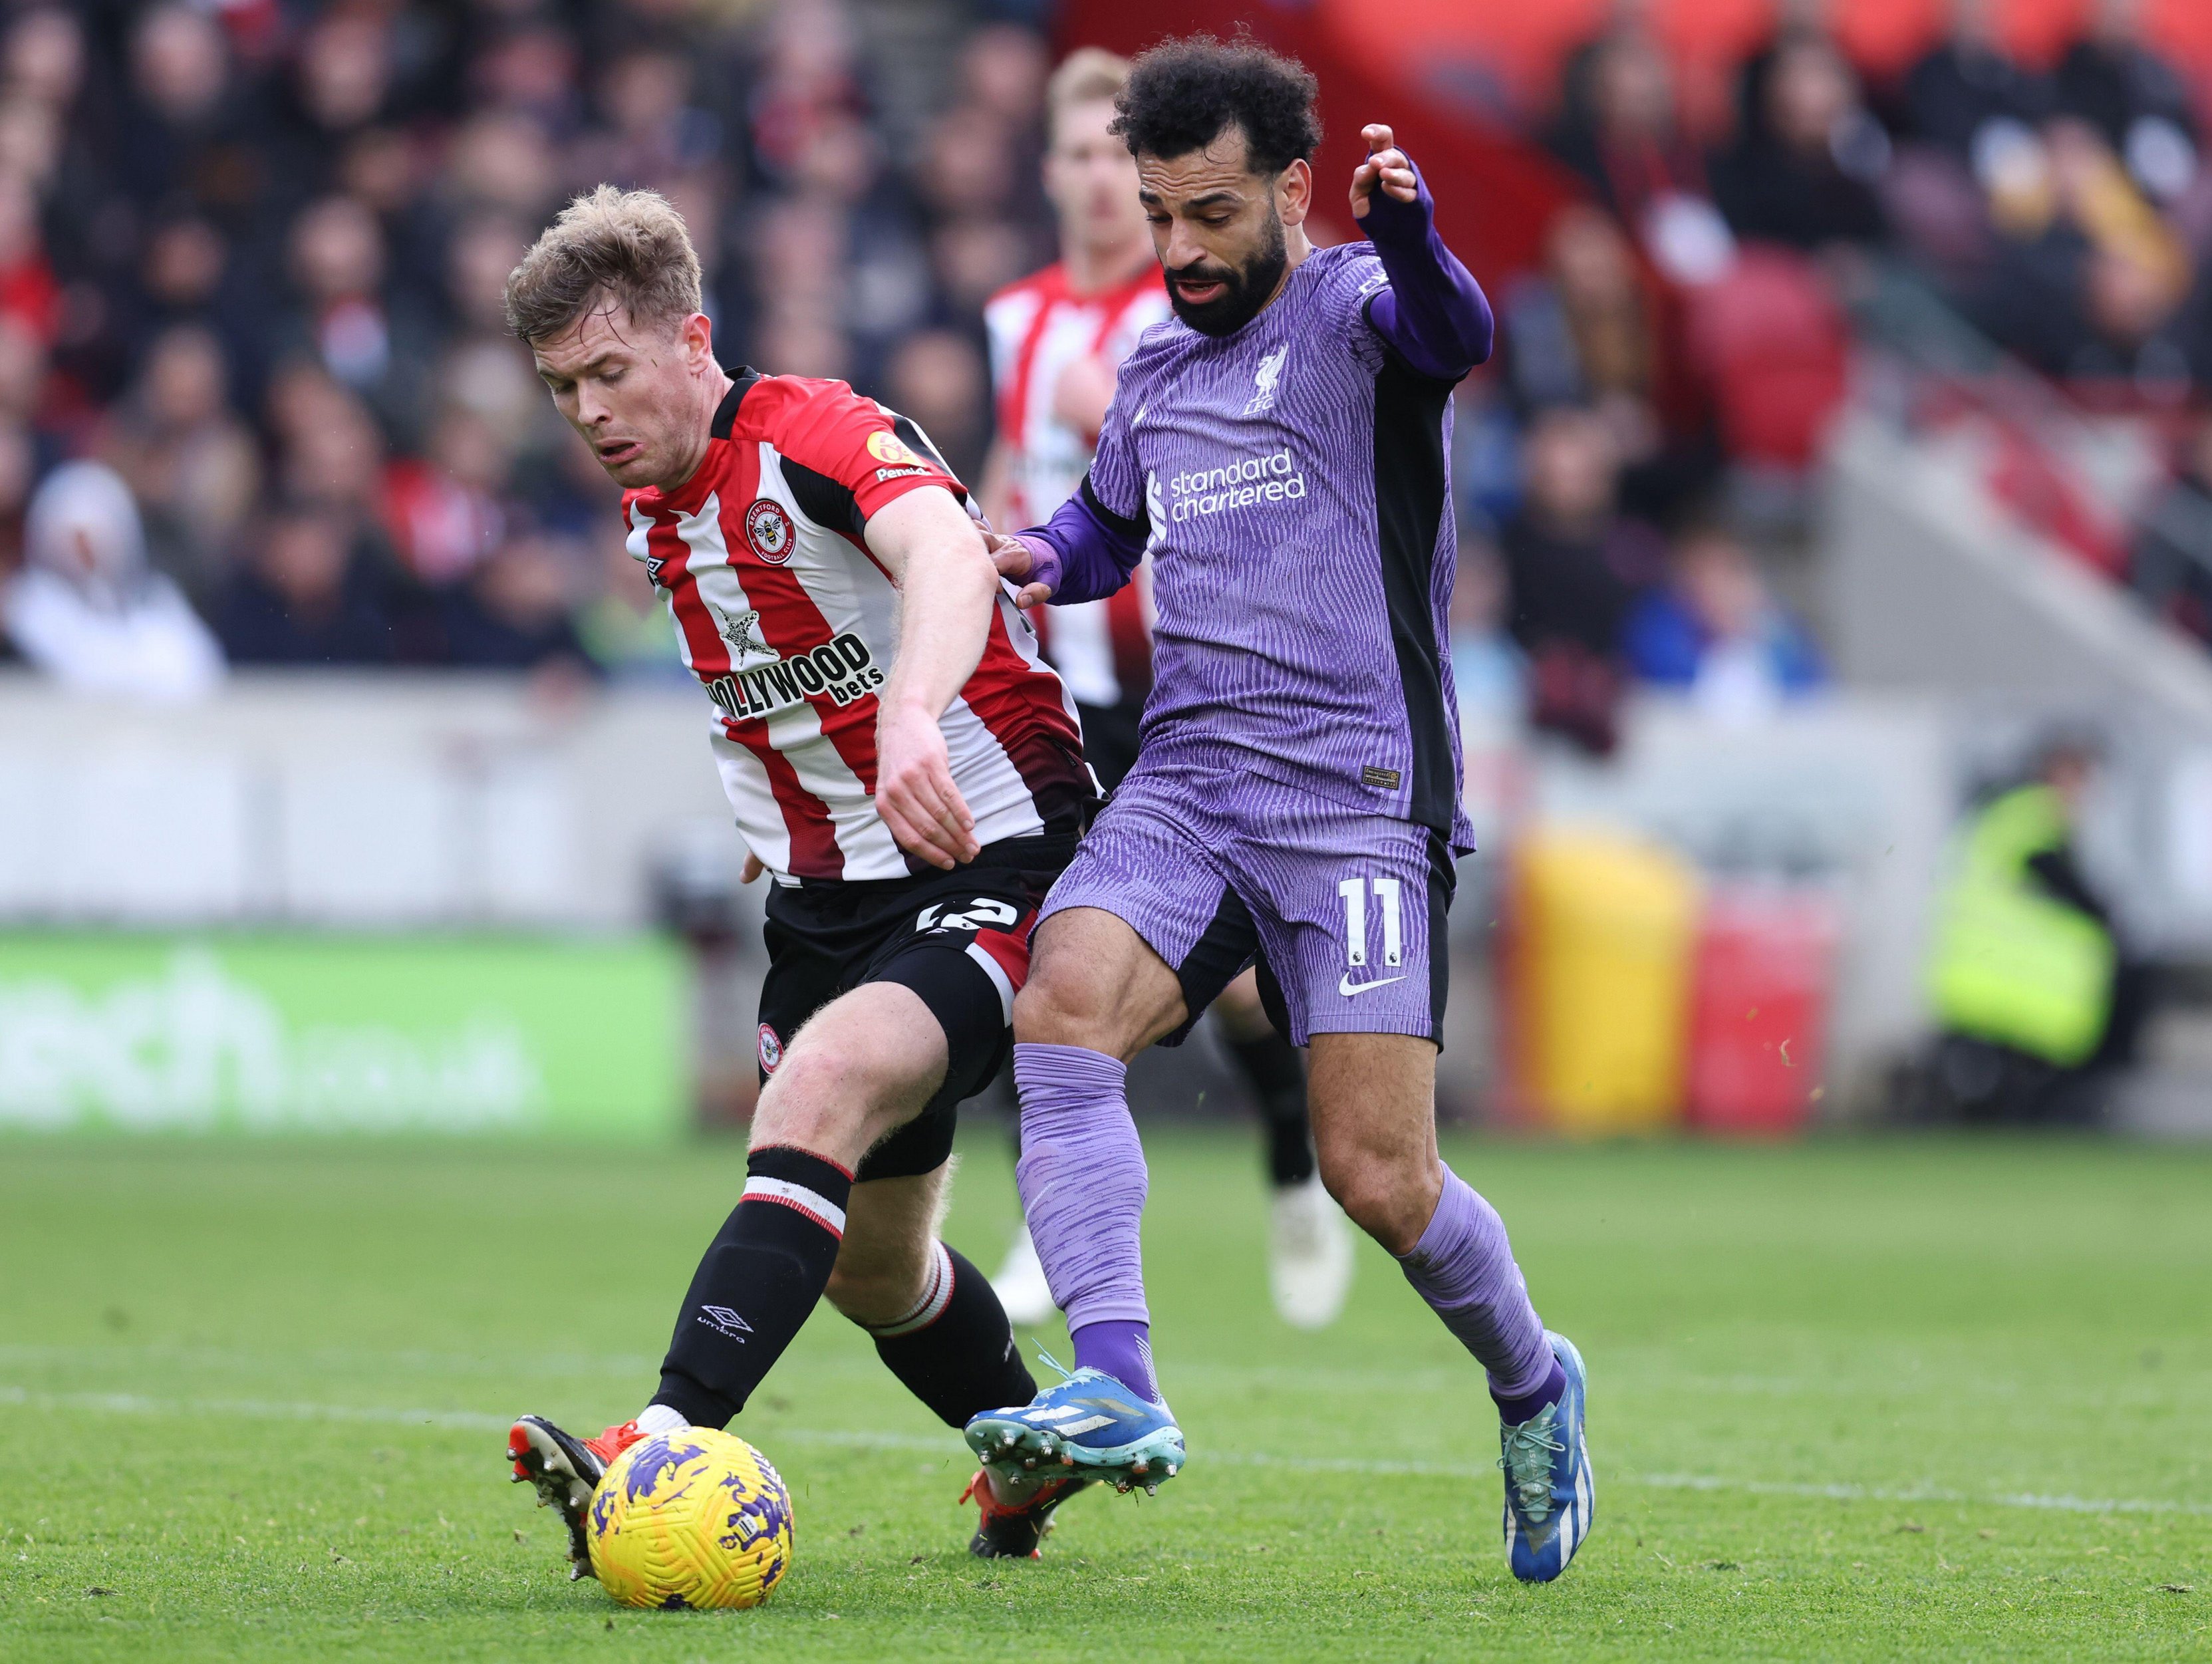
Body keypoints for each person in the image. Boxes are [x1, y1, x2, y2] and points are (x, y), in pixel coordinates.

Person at [971, 39, 1593, 1582]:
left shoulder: (1362, 311)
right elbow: (1113, 520)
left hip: (1359, 797)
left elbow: (1460, 328)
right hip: (1190, 781)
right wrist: (1046, 556)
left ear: (1291, 193)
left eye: (1210, 216)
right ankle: (1115, 1374)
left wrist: (1413, 232)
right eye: (1159, 213)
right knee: (1058, 1016)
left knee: (1375, 1176)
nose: (1177, 250)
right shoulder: (1155, 368)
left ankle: (1536, 1382)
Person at [497, 186, 1099, 1574]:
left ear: (692, 340)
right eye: (561, 388)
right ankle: (1033, 1443)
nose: (587, 412)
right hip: (828, 907)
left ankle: (652, 1449)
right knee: (873, 1269)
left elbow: (947, 551)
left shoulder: (816, 432)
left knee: (814, 1094)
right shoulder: (658, 512)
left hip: (990, 846)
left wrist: (904, 719)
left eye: (609, 371)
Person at [978, 45, 1348, 1332]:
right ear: (1054, 170)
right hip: (1055, 684)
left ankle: (1298, 1161)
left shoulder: (1190, 314)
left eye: (1109, 157)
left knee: (1233, 984)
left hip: (1181, 683)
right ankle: (1053, 1225)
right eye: (1078, 156)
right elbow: (1014, 465)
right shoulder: (1011, 317)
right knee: (1060, 950)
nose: (1095, 181)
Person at [1925, 732, 2150, 1125]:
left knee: (1996, 1097)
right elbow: (2063, 882)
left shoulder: (2000, 814)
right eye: (2079, 777)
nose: (2085, 792)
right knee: (2033, 1102)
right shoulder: (2032, 815)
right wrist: (2103, 916)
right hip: (2011, 982)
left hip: (1981, 979)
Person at [3, 458, 223, 700]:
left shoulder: (159, 603)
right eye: (75, 541)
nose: (86, 554)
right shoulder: (23, 614)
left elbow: (202, 674)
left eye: (97, 537)